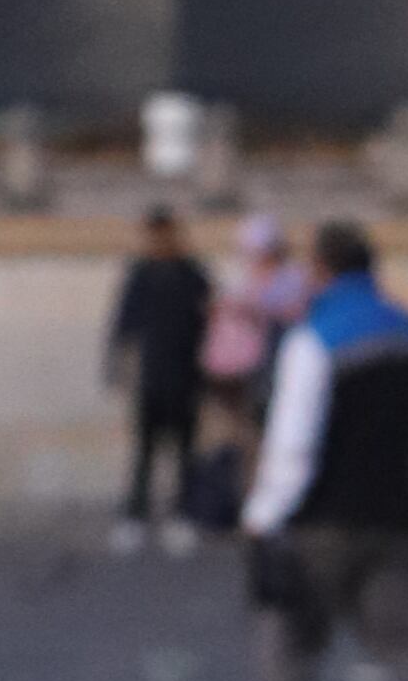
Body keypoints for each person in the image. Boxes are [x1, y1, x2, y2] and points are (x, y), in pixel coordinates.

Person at [241, 219, 408, 681]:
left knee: (291, 642)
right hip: (397, 513)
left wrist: (262, 514)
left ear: (319, 269)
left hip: (325, 520)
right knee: (397, 642)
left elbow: (295, 442)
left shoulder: (313, 339)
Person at [102, 202, 210, 552]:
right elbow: (123, 325)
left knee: (183, 452)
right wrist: (114, 367)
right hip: (152, 377)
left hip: (185, 375)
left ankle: (181, 515)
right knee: (146, 452)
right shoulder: (142, 273)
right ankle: (135, 516)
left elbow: (210, 322)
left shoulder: (191, 273)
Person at [192, 212, 301, 533]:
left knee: (269, 442)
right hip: (235, 375)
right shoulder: (241, 277)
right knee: (241, 442)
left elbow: (287, 311)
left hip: (272, 375)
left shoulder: (288, 279)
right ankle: (245, 506)